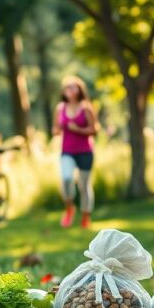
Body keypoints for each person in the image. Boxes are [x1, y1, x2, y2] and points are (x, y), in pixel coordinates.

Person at [51, 76, 98, 229]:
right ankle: (69, 208)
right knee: (66, 178)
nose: (70, 90)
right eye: (67, 87)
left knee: (84, 186)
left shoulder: (86, 108)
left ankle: (85, 216)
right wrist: (57, 130)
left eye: (73, 87)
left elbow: (94, 130)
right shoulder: (60, 108)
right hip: (67, 151)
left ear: (79, 90)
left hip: (85, 151)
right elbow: (55, 129)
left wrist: (78, 130)